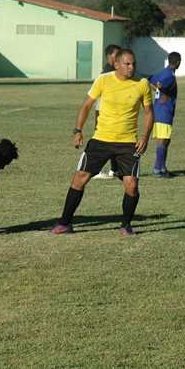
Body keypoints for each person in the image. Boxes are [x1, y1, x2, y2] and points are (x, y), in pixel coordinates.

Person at [49, 49, 154, 237]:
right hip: (101, 140)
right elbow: (87, 105)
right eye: (127, 64)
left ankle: (126, 225)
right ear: (116, 64)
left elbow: (149, 113)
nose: (132, 67)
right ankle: (64, 223)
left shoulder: (142, 84)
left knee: (131, 185)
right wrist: (78, 130)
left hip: (128, 144)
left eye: (134, 64)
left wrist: (145, 136)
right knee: (79, 179)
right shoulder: (103, 80)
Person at [149, 52, 181, 178]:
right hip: (164, 110)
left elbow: (150, 79)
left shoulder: (163, 72)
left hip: (159, 109)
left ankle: (162, 169)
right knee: (163, 140)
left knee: (166, 140)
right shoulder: (169, 76)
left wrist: (159, 91)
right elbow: (161, 85)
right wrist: (164, 93)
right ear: (178, 62)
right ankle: (157, 170)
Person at [93, 44, 122, 179]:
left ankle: (115, 170)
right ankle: (95, 170)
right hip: (103, 111)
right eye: (117, 54)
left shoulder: (114, 71)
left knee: (115, 140)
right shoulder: (107, 73)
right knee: (102, 141)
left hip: (111, 110)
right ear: (109, 56)